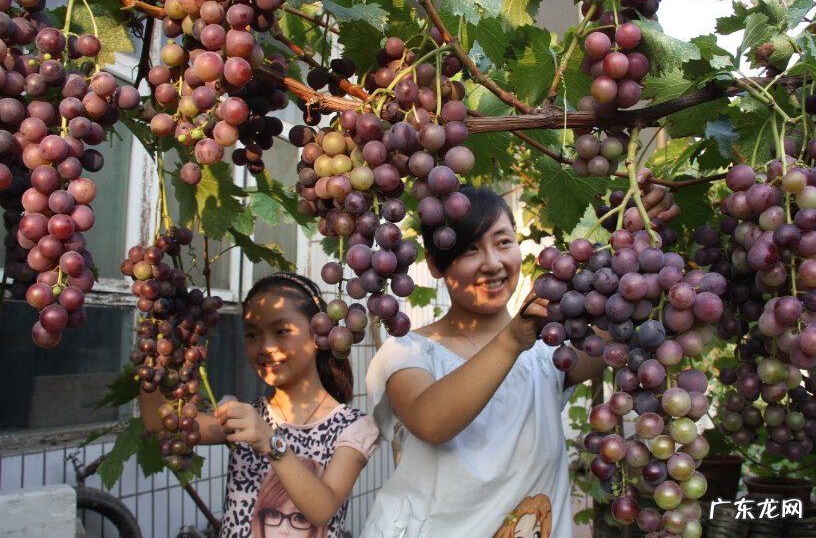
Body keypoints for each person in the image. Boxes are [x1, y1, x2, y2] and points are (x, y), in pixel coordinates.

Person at [362, 183, 676, 537]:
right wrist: (512, 339)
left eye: (503, 242)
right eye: (469, 249)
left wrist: (637, 235)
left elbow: (623, 327)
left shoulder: (546, 357)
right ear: (435, 264)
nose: (493, 263)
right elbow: (431, 422)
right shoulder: (408, 351)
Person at [140, 273, 380, 538]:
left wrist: (270, 442)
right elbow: (156, 419)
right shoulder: (246, 417)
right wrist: (158, 333)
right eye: (252, 334)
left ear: (317, 332)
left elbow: (322, 509)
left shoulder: (352, 427)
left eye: (281, 331)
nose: (265, 347)